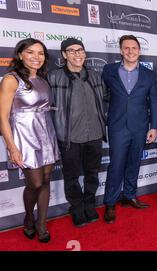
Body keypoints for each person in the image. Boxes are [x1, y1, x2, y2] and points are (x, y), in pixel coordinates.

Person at [0, 38, 59, 242]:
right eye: (31, 52)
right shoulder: (11, 79)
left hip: (46, 132)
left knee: (46, 180)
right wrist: (11, 147)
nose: (36, 57)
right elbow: (3, 117)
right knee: (35, 182)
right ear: (20, 55)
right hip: (24, 136)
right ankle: (28, 218)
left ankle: (42, 224)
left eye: (41, 53)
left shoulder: (43, 79)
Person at [47, 38, 107, 227]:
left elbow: (105, 98)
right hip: (69, 138)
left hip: (95, 135)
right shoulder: (53, 77)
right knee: (71, 176)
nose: (77, 54)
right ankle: (76, 208)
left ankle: (90, 204)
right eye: (71, 51)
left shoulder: (95, 76)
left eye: (80, 50)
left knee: (92, 174)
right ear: (64, 55)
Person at [102, 35, 157, 223]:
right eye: (126, 48)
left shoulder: (149, 75)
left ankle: (129, 195)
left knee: (134, 162)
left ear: (139, 51)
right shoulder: (108, 70)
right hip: (117, 126)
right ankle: (110, 202)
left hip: (140, 127)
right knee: (116, 164)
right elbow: (101, 97)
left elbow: (154, 102)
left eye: (134, 48)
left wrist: (154, 127)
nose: (130, 51)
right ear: (120, 50)